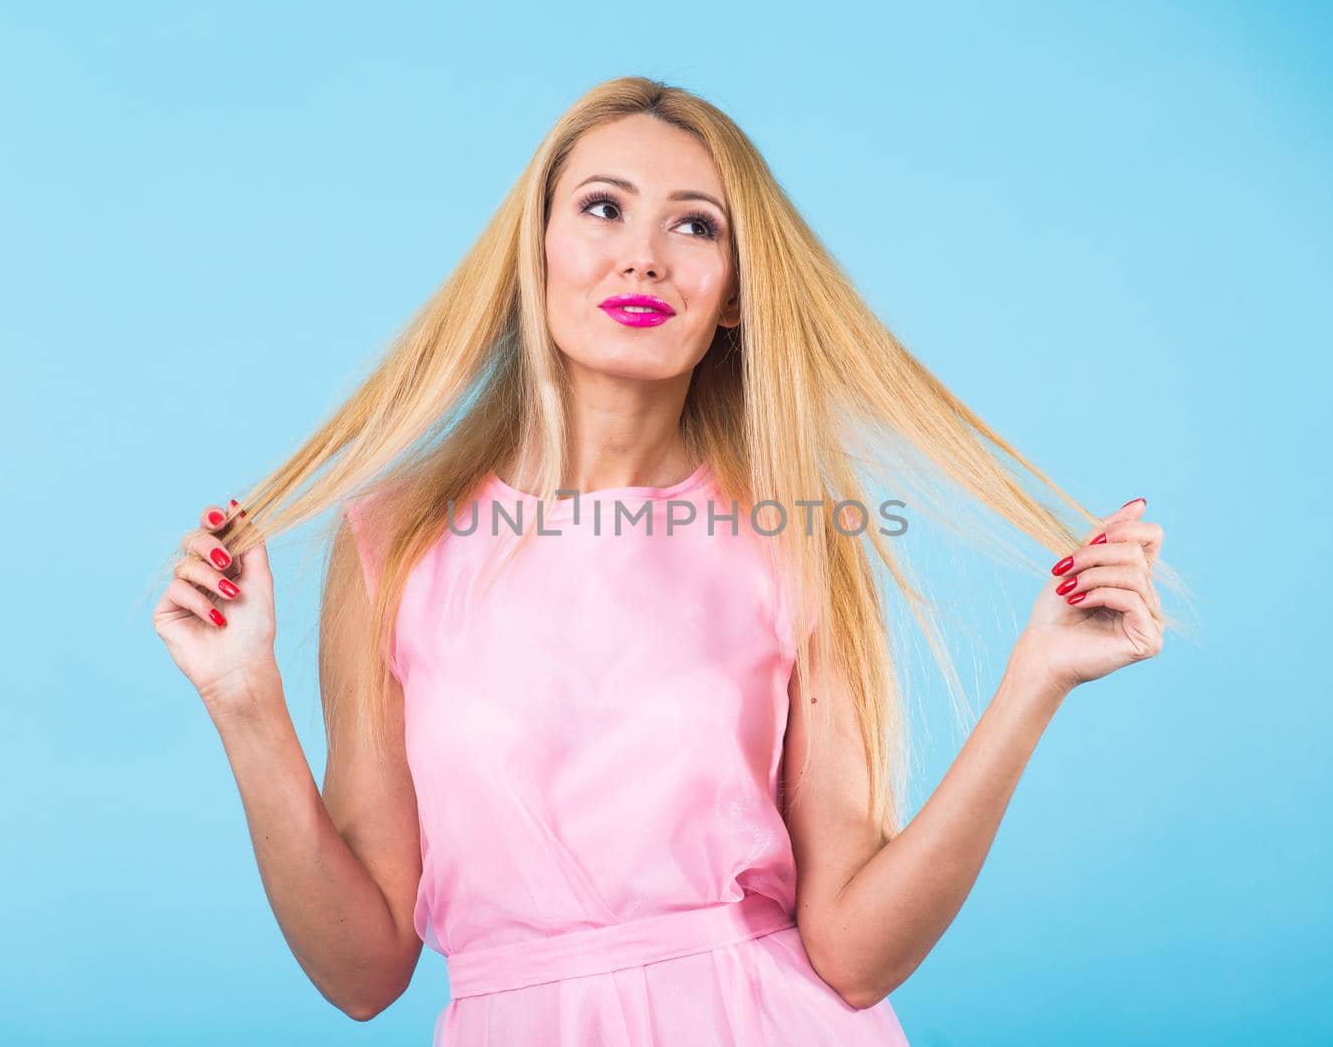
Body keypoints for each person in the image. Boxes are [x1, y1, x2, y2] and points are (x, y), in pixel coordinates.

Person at [153, 76, 1181, 1044]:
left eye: (695, 225)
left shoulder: (796, 539)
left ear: (733, 292)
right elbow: (361, 971)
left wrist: (1033, 681)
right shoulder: (392, 541)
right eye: (603, 207)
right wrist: (244, 698)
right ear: (537, 247)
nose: (644, 256)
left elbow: (858, 955)